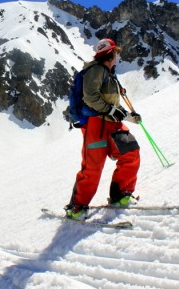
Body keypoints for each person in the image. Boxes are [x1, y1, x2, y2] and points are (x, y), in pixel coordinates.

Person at [65, 38, 142, 220]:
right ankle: (77, 207)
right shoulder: (96, 70)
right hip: (96, 126)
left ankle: (120, 195)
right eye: (116, 52)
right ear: (111, 53)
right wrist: (110, 110)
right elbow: (90, 97)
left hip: (112, 124)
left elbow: (111, 103)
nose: (117, 56)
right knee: (92, 168)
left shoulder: (109, 74)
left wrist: (130, 117)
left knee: (130, 152)